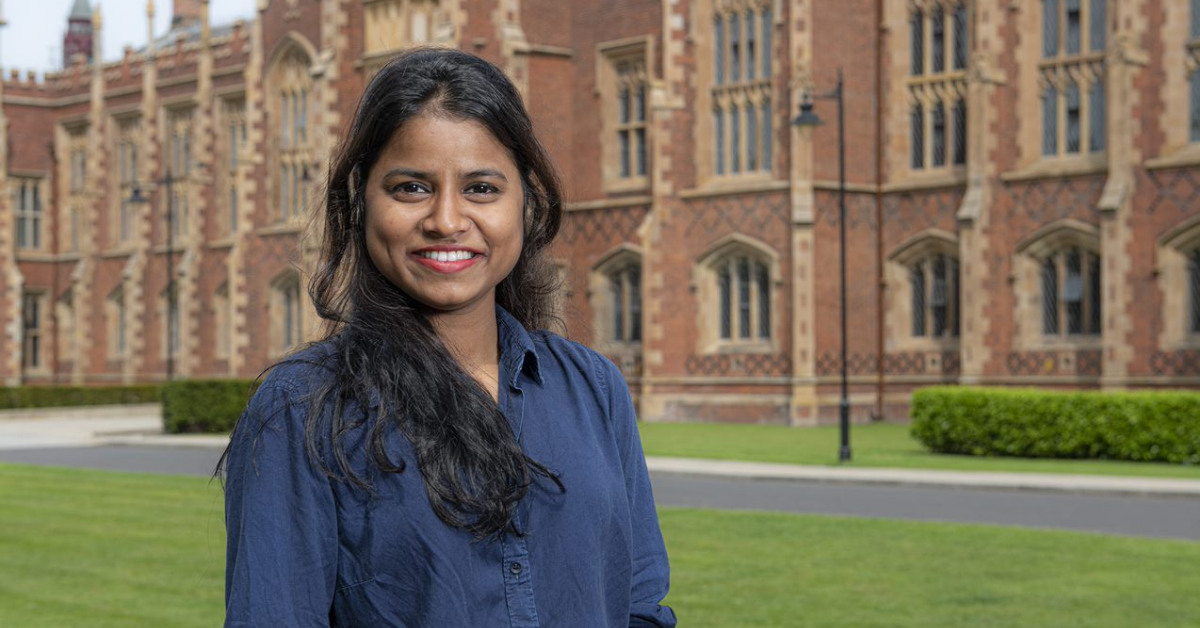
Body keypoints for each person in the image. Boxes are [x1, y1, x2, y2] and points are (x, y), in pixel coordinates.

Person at [219, 48, 677, 628]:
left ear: (525, 201)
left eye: (482, 188)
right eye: (411, 188)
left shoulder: (593, 387)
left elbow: (639, 605)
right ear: (361, 200)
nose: (446, 219)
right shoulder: (301, 409)